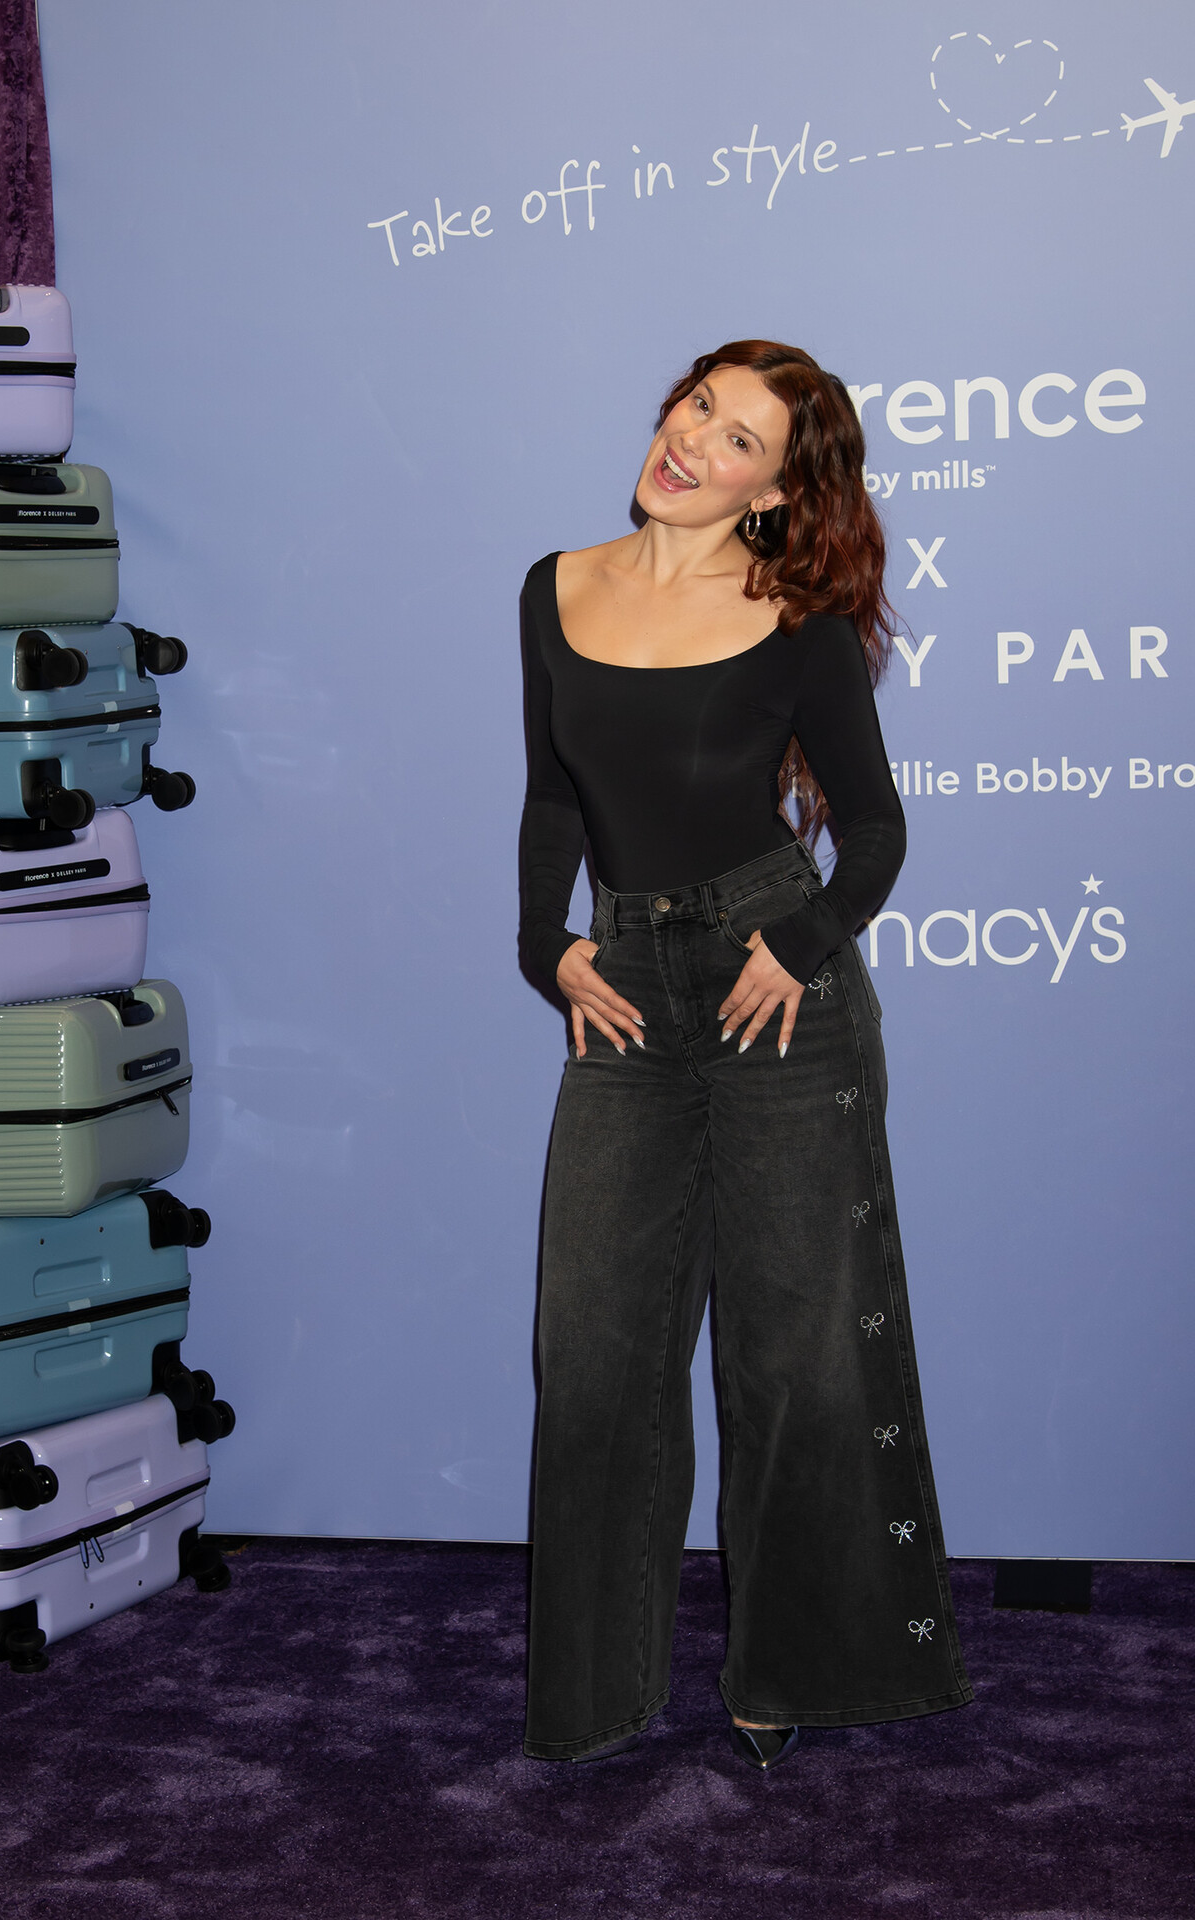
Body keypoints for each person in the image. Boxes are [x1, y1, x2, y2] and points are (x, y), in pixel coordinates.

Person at [518, 339, 972, 1769]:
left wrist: (804, 942)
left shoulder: (799, 623)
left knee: (796, 1358)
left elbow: (876, 830)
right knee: (593, 1351)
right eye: (698, 406)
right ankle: (594, 1693)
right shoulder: (554, 587)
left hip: (775, 992)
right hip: (625, 995)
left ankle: (792, 1668)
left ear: (771, 494)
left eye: (738, 441)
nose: (693, 442)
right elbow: (552, 797)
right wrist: (544, 945)